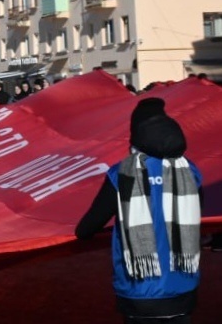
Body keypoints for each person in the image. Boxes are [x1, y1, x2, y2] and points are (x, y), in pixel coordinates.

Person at [76, 98, 202, 324]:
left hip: (137, 290)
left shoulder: (121, 174)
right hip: (182, 288)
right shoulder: (190, 171)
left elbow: (86, 228)